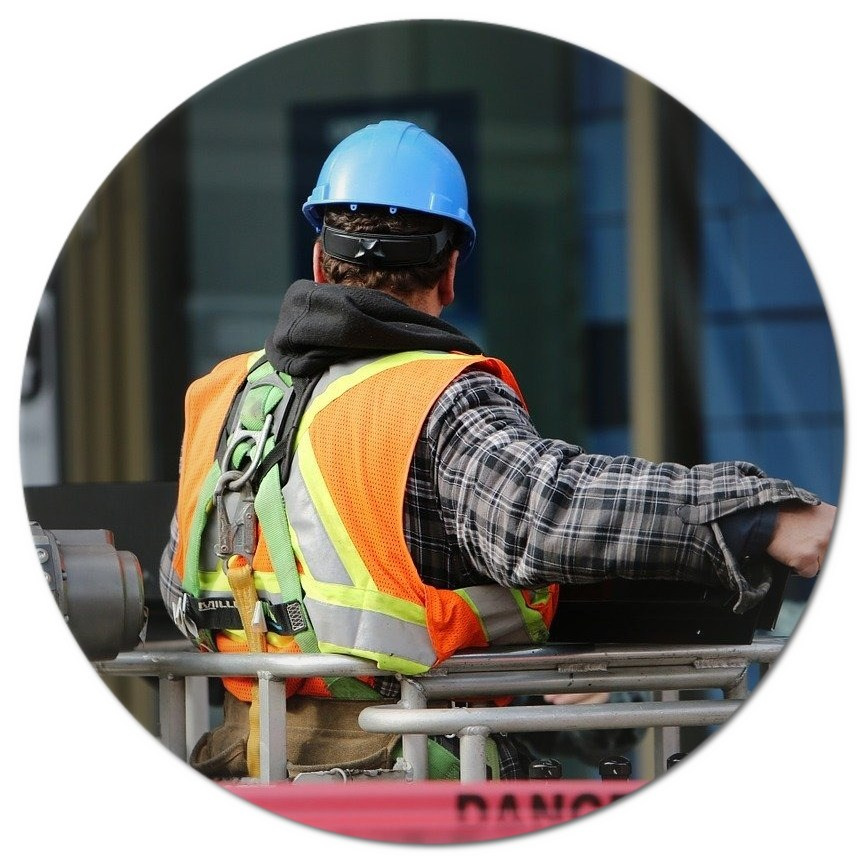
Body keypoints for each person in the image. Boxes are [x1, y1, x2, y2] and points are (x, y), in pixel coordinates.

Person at [159, 119, 836, 781]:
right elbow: (549, 511)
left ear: (317, 260)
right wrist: (761, 517)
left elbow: (180, 579)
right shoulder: (432, 396)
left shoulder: (224, 396)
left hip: (247, 770)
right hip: (409, 780)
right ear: (451, 272)